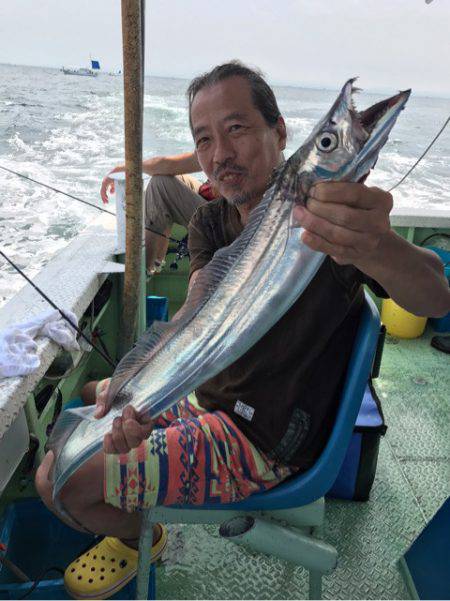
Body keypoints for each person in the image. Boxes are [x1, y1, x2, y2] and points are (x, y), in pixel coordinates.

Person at [36, 61, 450, 599]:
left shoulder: (332, 221)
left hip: (263, 441)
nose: (219, 155)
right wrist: (138, 384)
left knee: (58, 482)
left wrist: (379, 246)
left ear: (279, 133)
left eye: (236, 129)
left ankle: (142, 537)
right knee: (91, 405)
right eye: (203, 139)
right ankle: (132, 478)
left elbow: (433, 297)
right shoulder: (211, 220)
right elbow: (197, 310)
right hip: (211, 399)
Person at [101, 152, 218, 273]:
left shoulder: (225, 144)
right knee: (173, 175)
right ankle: (156, 264)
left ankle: (144, 271)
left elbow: (166, 164)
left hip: (227, 220)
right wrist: (123, 168)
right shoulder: (219, 142)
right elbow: (171, 165)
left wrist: (125, 168)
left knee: (160, 184)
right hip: (212, 195)